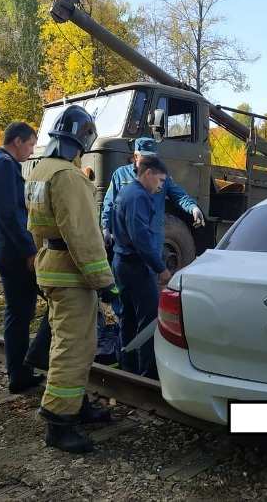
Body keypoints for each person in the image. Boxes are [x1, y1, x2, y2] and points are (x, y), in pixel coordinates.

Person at [25, 105, 117, 453]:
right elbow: (83, 235)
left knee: (72, 340)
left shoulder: (38, 171)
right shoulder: (69, 176)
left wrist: (39, 264)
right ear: (83, 140)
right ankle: (59, 421)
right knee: (72, 347)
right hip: (71, 274)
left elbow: (34, 228)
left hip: (52, 267)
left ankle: (76, 404)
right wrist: (104, 281)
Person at [0, 122, 48, 393]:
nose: (31, 151)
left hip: (6, 249)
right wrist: (29, 251)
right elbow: (9, 214)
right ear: (18, 141)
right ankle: (26, 365)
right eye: (31, 144)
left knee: (20, 313)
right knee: (54, 301)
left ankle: (21, 371)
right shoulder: (3, 165)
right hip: (14, 252)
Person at [112, 155, 172, 378]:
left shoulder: (127, 192)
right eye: (160, 180)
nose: (160, 186)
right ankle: (147, 374)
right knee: (148, 321)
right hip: (136, 267)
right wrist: (160, 268)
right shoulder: (140, 196)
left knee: (127, 317)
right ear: (148, 174)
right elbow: (141, 237)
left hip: (121, 263)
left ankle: (127, 367)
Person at [100, 137, 205, 255]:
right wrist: (105, 228)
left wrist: (193, 208)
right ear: (136, 157)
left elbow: (179, 195)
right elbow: (109, 203)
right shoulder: (120, 175)